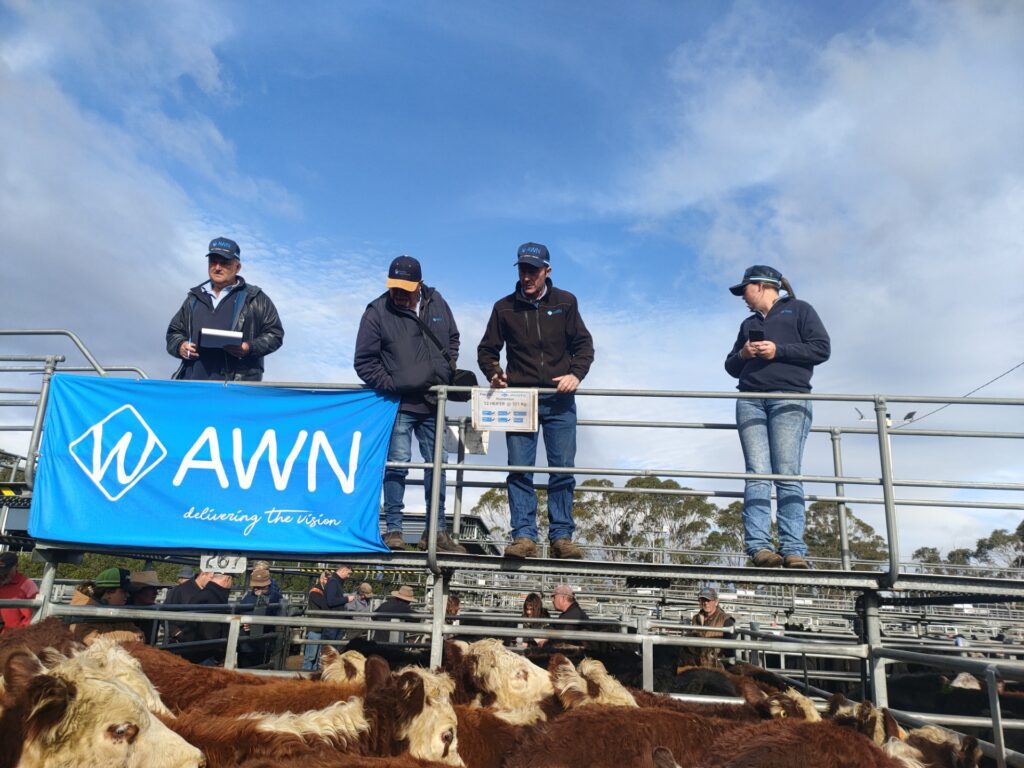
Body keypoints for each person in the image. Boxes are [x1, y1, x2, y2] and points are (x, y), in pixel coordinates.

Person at [477, 242, 595, 560]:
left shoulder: (566, 302)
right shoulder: (503, 307)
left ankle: (561, 537)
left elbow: (584, 345)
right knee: (519, 469)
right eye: (522, 269)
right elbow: (487, 349)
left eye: (533, 269)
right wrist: (494, 372)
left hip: (559, 399)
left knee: (562, 468)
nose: (527, 276)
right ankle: (524, 536)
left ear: (547, 271)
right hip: (520, 400)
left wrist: (576, 375)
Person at [354, 255, 467, 554]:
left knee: (437, 466)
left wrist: (446, 366)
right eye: (394, 286)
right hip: (399, 405)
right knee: (397, 465)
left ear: (419, 284)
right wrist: (394, 385)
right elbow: (364, 362)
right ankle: (394, 529)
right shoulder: (376, 312)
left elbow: (453, 338)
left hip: (434, 402)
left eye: (405, 287)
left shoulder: (436, 301)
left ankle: (437, 532)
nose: (399, 293)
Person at [724, 265, 830, 569]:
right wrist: (744, 354)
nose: (742, 297)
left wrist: (777, 351)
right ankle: (760, 548)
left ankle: (793, 549)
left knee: (786, 474)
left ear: (760, 286)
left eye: (744, 290)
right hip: (750, 400)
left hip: (790, 398)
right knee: (756, 473)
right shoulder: (747, 324)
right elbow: (730, 366)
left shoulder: (800, 310)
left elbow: (821, 349)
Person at [166, 236, 284, 382]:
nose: (217, 267)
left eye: (224, 263)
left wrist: (249, 347)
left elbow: (275, 334)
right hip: (192, 386)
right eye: (213, 262)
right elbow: (173, 333)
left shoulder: (255, 298)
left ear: (237, 267)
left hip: (235, 393)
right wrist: (180, 345)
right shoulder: (193, 298)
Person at [68, 567, 144, 646]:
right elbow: (88, 640)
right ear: (108, 593)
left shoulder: (117, 610)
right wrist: (128, 637)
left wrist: (134, 636)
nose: (128, 595)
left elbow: (139, 635)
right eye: (123, 591)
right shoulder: (82, 611)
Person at [678, 587, 736, 669]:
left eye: (708, 600)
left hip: (716, 664)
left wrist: (728, 667)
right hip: (697, 662)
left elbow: (730, 651)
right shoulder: (696, 618)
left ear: (716, 602)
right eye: (703, 600)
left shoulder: (726, 620)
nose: (705, 603)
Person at [237, 567, 281, 667]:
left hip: (263, 643)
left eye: (260, 586)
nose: (256, 588)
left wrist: (256, 624)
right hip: (246, 644)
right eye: (255, 586)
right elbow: (238, 613)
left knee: (260, 670)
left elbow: (276, 619)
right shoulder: (247, 597)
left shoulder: (275, 598)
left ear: (267, 585)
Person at [127, 570, 172, 644]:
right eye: (151, 589)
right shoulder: (122, 611)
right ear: (137, 591)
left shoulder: (155, 611)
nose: (156, 593)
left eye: (157, 589)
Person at [0, 551, 38, 634]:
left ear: (16, 566)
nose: (3, 574)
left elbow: (32, 616)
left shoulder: (27, 585)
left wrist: (18, 636)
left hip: (14, 638)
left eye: (7, 570)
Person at [302, 571, 330, 671]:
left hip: (320, 627)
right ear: (322, 579)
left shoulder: (322, 592)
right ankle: (305, 676)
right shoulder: (315, 592)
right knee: (310, 657)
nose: (328, 581)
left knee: (318, 657)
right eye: (327, 579)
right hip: (315, 628)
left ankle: (312, 678)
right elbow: (324, 605)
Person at [322, 564, 353, 646]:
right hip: (331, 621)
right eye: (349, 573)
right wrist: (347, 599)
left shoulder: (336, 582)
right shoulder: (333, 582)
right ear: (343, 570)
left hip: (335, 620)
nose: (348, 576)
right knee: (329, 649)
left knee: (332, 649)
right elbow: (331, 601)